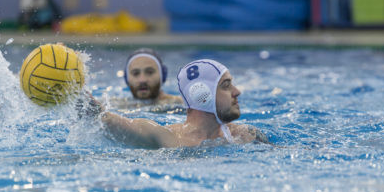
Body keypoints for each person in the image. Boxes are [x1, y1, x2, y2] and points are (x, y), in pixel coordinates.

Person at [81, 59, 268, 149]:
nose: (237, 92)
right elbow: (97, 117)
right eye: (226, 86)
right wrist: (68, 82)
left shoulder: (247, 135)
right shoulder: (164, 138)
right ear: (202, 95)